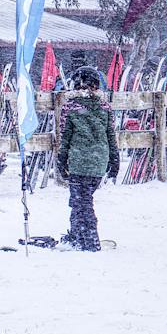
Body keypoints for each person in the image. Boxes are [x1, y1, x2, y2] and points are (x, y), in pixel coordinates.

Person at [57, 65, 119, 251]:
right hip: (99, 162)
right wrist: (114, 160)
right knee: (80, 199)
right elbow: (111, 135)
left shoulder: (70, 107)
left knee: (82, 202)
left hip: (79, 162)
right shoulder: (105, 107)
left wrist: (62, 160)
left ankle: (90, 239)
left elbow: (65, 137)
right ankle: (76, 234)